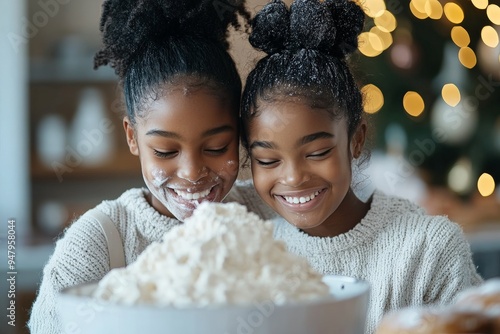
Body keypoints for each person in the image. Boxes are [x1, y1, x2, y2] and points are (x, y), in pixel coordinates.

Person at [28, 0, 275, 333]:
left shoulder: (266, 215)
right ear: (133, 137)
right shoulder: (96, 244)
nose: (191, 172)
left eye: (216, 147)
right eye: (165, 150)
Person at [239, 0, 483, 333]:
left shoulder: (429, 248)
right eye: (267, 160)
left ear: (356, 139)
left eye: (317, 152)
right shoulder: (245, 249)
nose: (294, 177)